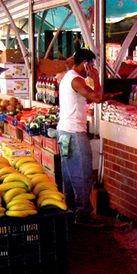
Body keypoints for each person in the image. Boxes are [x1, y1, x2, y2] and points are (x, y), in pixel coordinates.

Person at [56, 49, 118, 228]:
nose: (90, 68)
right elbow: (96, 97)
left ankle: (70, 210)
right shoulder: (77, 79)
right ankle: (83, 214)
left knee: (69, 174)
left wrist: (103, 97)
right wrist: (96, 76)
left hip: (64, 132)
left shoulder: (68, 77)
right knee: (82, 175)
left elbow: (89, 97)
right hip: (74, 134)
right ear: (85, 63)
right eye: (90, 65)